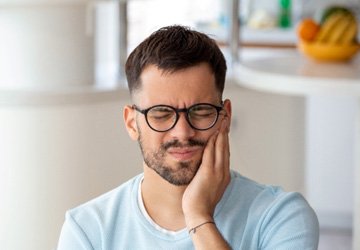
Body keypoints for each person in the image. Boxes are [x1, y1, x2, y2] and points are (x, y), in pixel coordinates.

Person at [57, 25, 319, 250]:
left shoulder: (282, 217)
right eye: (161, 114)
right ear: (131, 123)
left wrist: (198, 216)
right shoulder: (88, 232)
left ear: (225, 117)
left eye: (201, 111)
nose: (182, 132)